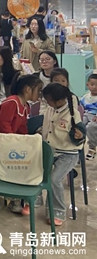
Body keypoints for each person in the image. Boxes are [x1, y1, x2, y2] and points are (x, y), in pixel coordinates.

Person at [0, 73, 43, 214]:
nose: (40, 94)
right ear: (28, 89)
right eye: (38, 90)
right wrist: (14, 141)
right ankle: (14, 198)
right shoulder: (11, 102)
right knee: (14, 165)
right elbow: (3, 123)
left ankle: (19, 196)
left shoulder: (25, 106)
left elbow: (22, 127)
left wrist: (25, 141)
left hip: (7, 142)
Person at [36, 83, 85, 225]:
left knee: (54, 179)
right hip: (50, 150)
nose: (46, 102)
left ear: (58, 101)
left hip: (68, 154)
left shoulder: (72, 113)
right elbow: (47, 128)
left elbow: (81, 133)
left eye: (48, 100)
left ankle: (57, 211)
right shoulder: (50, 110)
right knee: (33, 169)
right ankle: (34, 199)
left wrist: (79, 135)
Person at [81, 74, 97, 160]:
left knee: (91, 127)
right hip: (86, 115)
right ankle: (79, 149)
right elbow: (80, 107)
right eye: (92, 84)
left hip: (95, 116)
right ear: (87, 85)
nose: (95, 87)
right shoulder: (85, 97)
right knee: (80, 126)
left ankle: (92, 147)